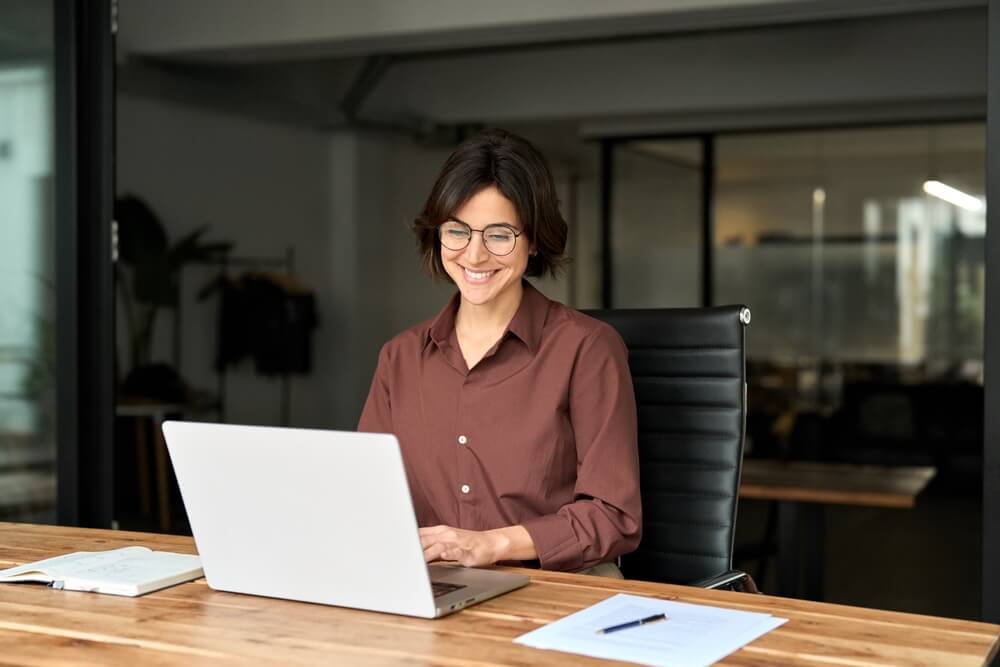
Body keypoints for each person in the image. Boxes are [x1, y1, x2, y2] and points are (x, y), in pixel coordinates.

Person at [358, 129, 640, 576]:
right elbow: (364, 496)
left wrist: (489, 545)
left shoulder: (587, 349)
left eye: (499, 235)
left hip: (556, 589)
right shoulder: (400, 357)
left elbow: (613, 516)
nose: (474, 254)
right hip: (433, 585)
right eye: (457, 231)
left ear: (534, 241)